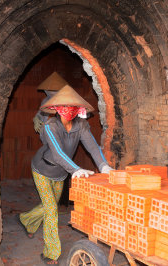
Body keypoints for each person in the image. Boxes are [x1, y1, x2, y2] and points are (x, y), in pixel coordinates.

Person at [18, 84, 114, 265]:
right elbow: (57, 153)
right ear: (55, 108)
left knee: (50, 205)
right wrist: (76, 169)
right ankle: (51, 253)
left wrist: (104, 167)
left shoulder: (82, 126)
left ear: (78, 109)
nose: (67, 111)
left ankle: (26, 219)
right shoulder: (49, 125)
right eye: (64, 107)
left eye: (72, 107)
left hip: (61, 173)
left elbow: (93, 147)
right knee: (51, 210)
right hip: (42, 170)